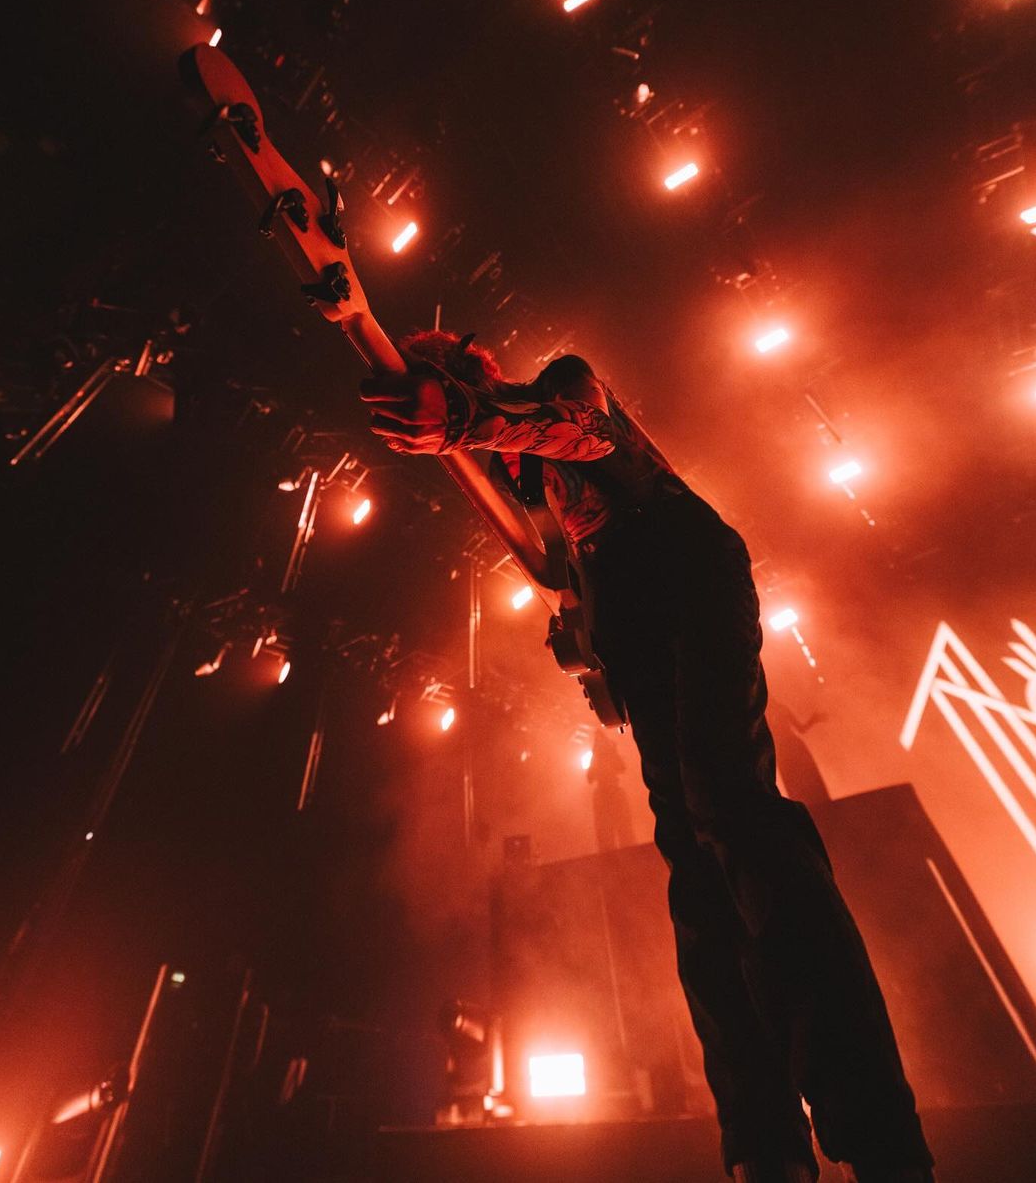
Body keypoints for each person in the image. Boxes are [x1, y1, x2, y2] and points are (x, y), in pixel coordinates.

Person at [359, 331, 934, 1183]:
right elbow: (572, 575)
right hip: (639, 637)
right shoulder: (521, 495)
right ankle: (764, 1146)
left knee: (735, 814)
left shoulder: (557, 384)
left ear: (472, 371)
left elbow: (585, 431)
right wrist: (586, 643)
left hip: (692, 580)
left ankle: (877, 1133)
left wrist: (466, 417)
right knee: (697, 874)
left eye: (440, 381)